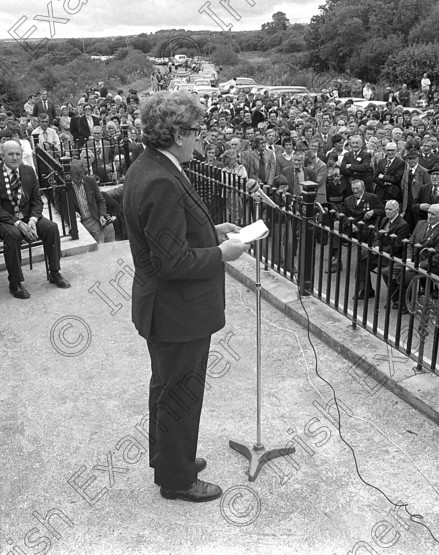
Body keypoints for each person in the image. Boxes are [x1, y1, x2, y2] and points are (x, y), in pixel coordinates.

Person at [123, 91, 247, 503]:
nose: (200, 139)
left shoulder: (152, 166)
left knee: (166, 387)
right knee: (180, 394)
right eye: (195, 131)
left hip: (167, 310)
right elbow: (173, 262)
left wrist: (212, 233)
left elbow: (169, 239)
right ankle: (176, 480)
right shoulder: (160, 179)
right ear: (177, 133)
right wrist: (221, 254)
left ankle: (170, 459)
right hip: (177, 312)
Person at [0, 141, 70, 299]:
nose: (15, 157)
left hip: (28, 217)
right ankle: (14, 283)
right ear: (2, 156)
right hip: (2, 220)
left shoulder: (29, 171)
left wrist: (34, 220)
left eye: (18, 154)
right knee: (14, 235)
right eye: (10, 154)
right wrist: (17, 223)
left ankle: (54, 272)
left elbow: (37, 201)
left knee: (51, 227)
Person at [67, 159, 114, 244]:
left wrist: (102, 215)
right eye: (75, 178)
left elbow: (100, 200)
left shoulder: (90, 181)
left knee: (100, 249)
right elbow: (61, 205)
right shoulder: (67, 186)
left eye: (80, 177)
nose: (78, 180)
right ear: (71, 175)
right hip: (80, 224)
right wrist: (72, 212)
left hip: (94, 220)